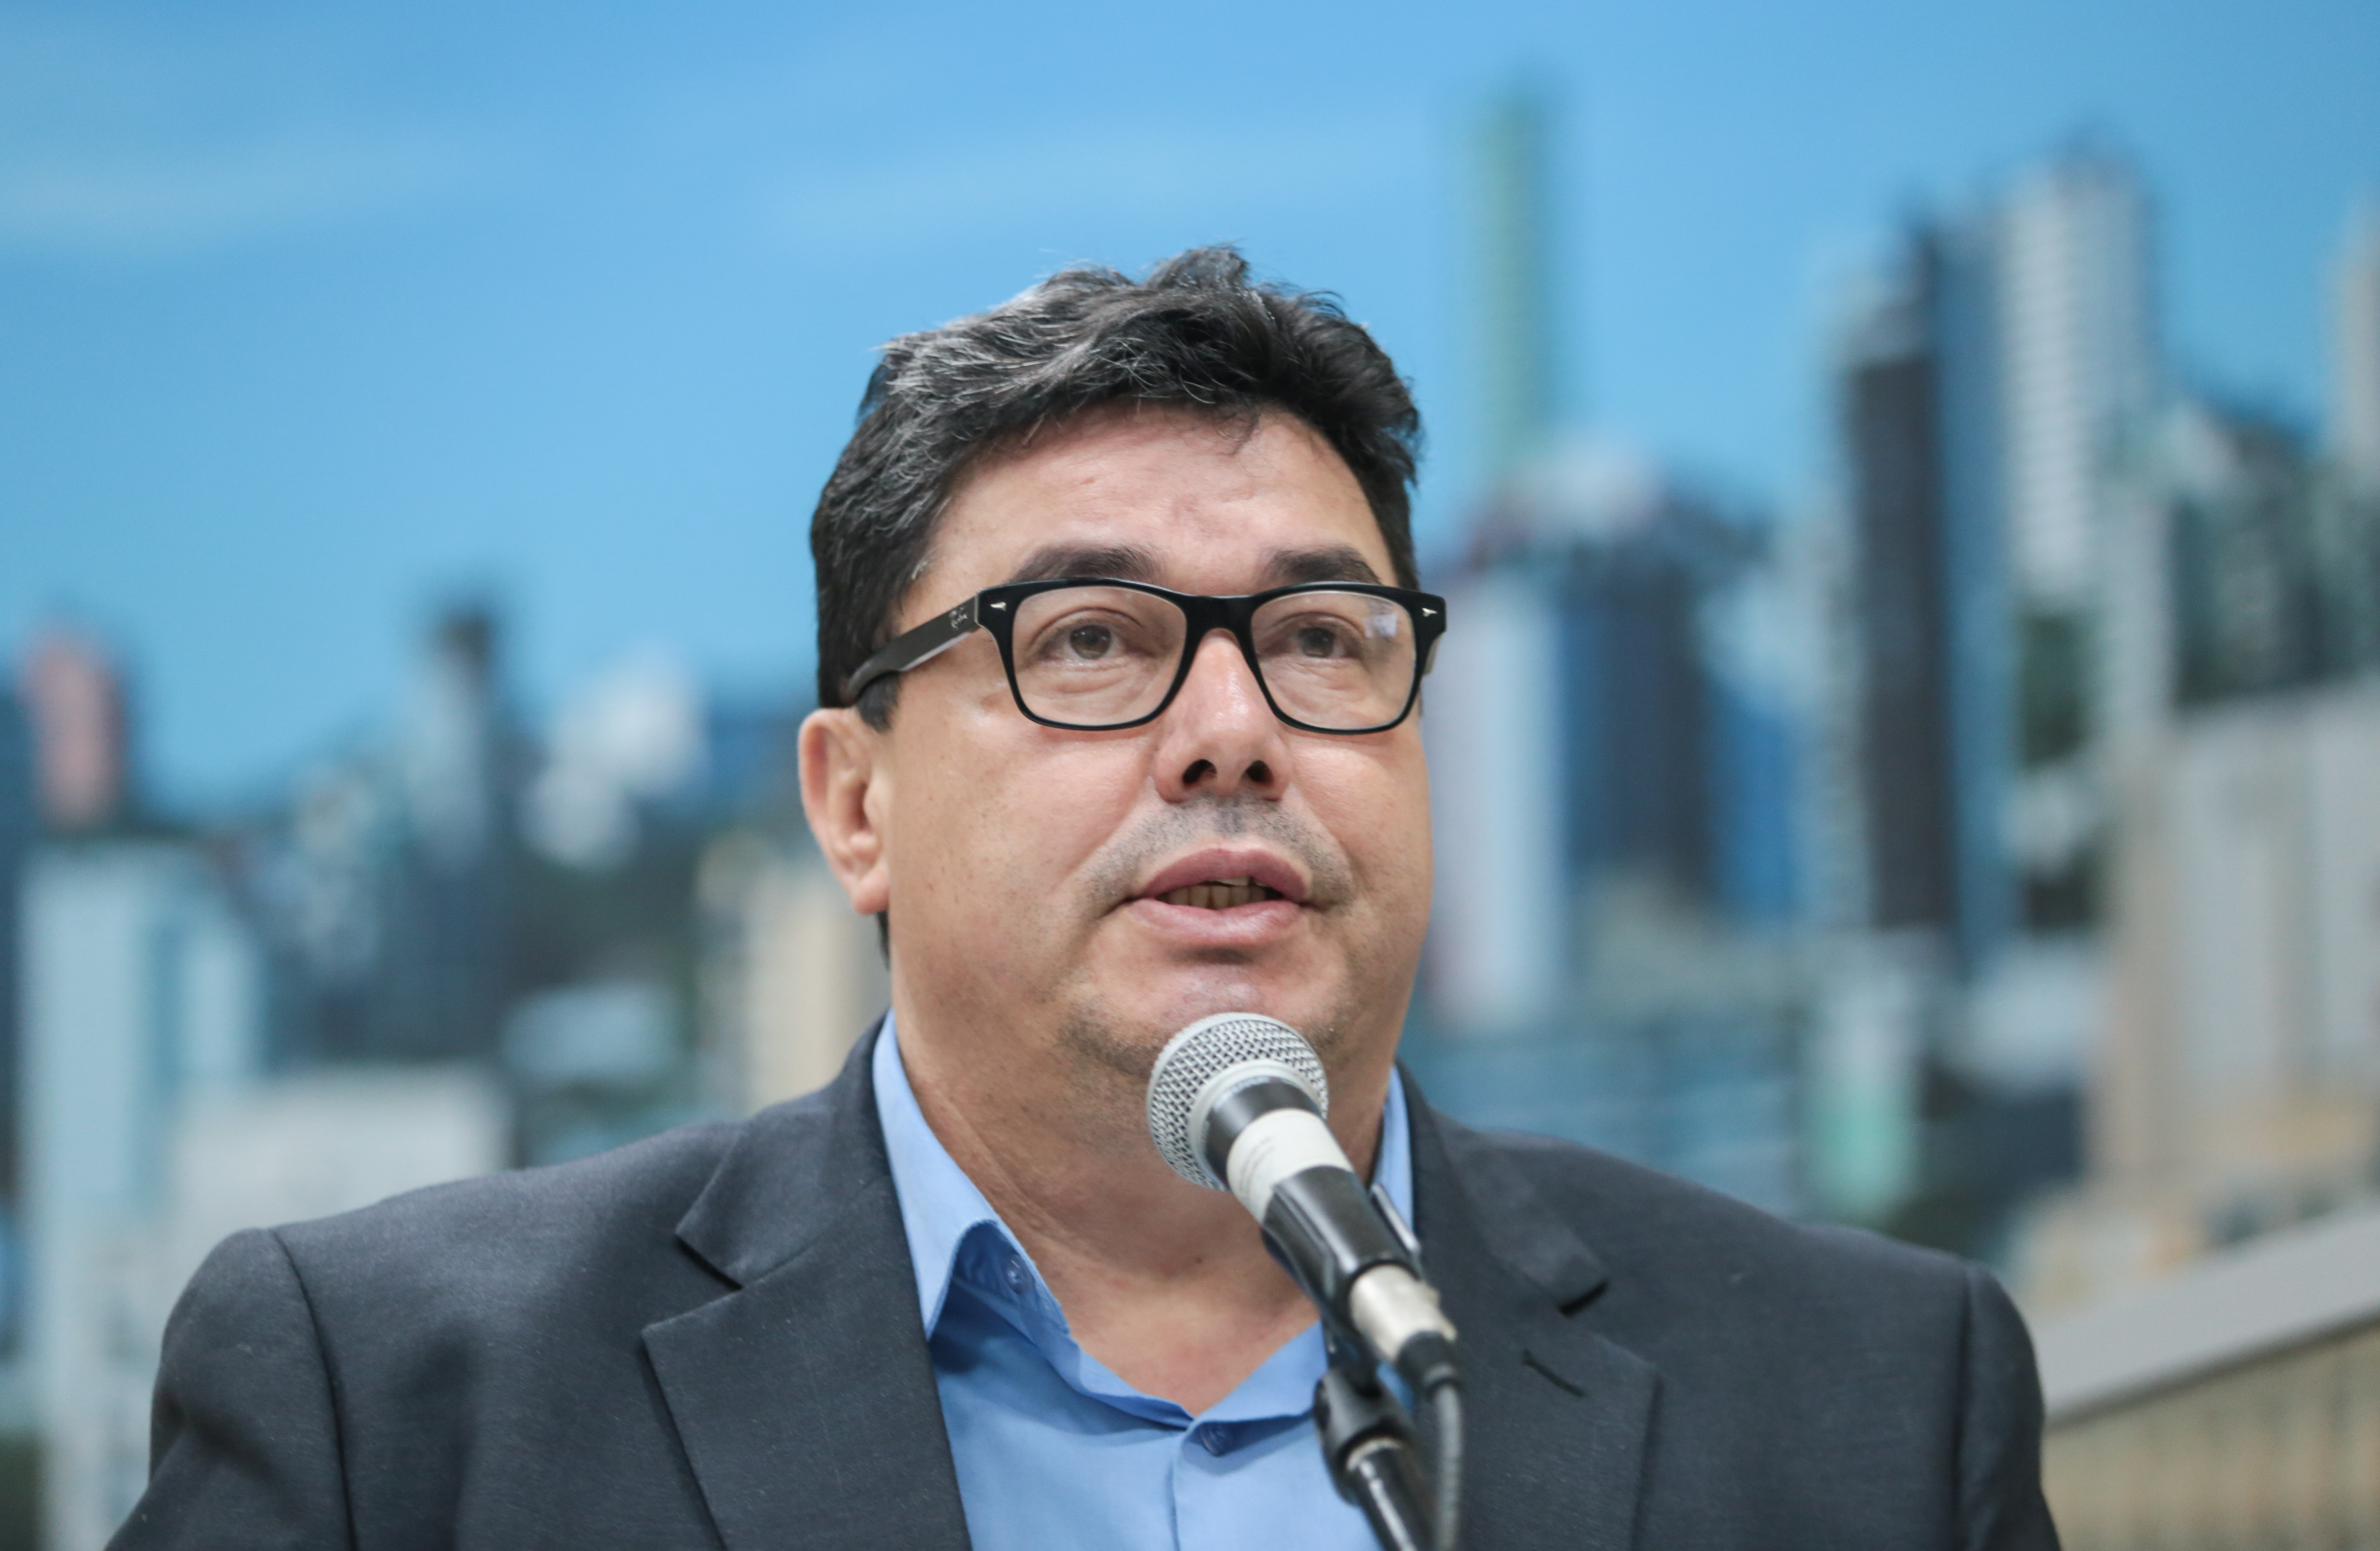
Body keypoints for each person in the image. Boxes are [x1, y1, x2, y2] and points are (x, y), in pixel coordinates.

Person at [115, 248, 2059, 1550]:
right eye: (1094, 643)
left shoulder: (1870, 1403)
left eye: (1322, 639)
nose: (1233, 732)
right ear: (855, 804)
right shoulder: (403, 1409)